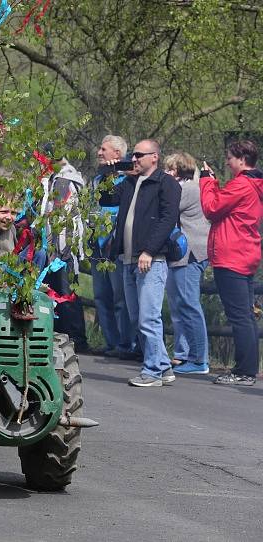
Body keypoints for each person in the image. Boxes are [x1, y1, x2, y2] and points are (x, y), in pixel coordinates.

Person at [106, 139, 181, 387]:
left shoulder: (166, 183)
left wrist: (149, 250)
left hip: (151, 259)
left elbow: (168, 219)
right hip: (128, 259)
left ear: (154, 157)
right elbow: (105, 199)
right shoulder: (129, 182)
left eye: (139, 155)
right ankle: (164, 365)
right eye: (133, 155)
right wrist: (111, 170)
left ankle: (152, 372)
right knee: (138, 316)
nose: (134, 159)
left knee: (149, 317)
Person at [201, 140, 263, 386]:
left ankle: (245, 371)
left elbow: (212, 207)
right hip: (245, 253)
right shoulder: (253, 185)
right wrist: (215, 184)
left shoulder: (242, 185)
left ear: (241, 159)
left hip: (232, 255)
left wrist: (207, 180)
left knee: (239, 316)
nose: (227, 162)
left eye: (229, 157)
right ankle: (246, 368)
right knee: (245, 315)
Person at [162, 152, 210, 375]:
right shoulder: (184, 186)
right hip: (182, 253)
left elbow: (165, 207)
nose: (167, 173)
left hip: (191, 252)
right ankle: (184, 354)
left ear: (180, 170)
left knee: (190, 304)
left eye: (170, 169)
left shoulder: (189, 188)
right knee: (180, 304)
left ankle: (199, 359)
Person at [90, 135, 136, 358]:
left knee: (120, 297)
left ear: (117, 154)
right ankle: (110, 342)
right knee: (101, 295)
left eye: (103, 149)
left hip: (116, 245)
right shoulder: (98, 179)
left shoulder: (128, 178)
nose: (99, 152)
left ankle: (125, 344)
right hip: (97, 245)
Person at [42, 152, 90, 353]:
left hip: (64, 247)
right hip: (58, 247)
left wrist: (61, 251)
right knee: (59, 290)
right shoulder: (59, 178)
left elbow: (61, 217)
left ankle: (74, 338)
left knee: (66, 292)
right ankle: (65, 335)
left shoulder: (63, 181)